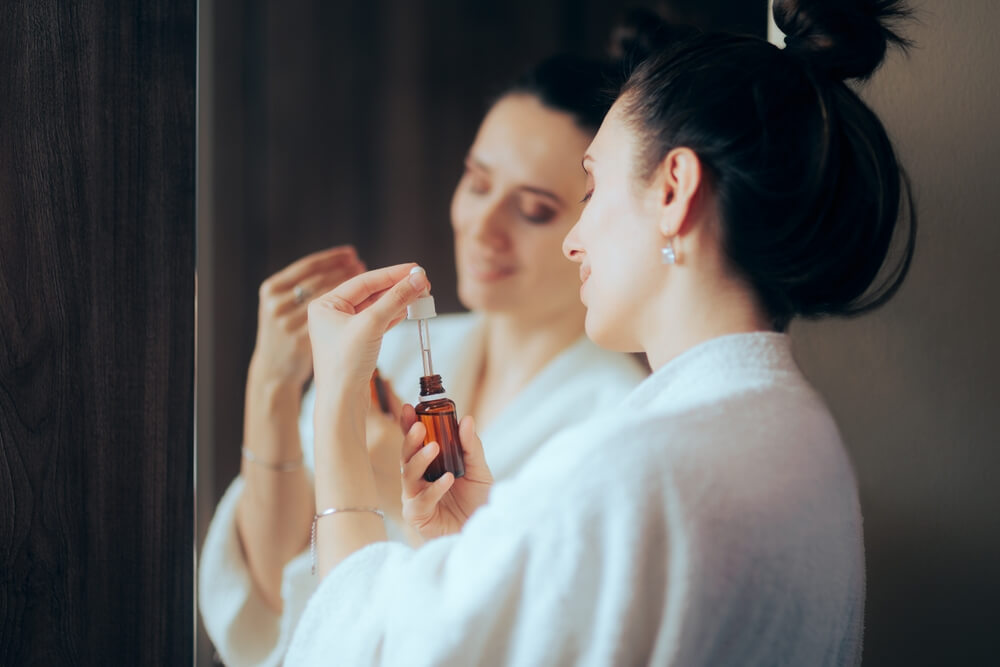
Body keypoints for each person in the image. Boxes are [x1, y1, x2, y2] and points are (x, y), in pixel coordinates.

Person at [284, 1, 918, 665]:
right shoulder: (798, 433)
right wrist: (480, 546)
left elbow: (357, 649)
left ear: (673, 189)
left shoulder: (628, 469)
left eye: (589, 190)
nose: (573, 243)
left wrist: (337, 407)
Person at [199, 49, 651, 665]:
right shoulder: (399, 355)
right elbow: (268, 592)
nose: (484, 225)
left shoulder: (613, 422)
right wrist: (274, 386)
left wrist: (388, 494)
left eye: (534, 210)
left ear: (592, 221)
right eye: (478, 182)